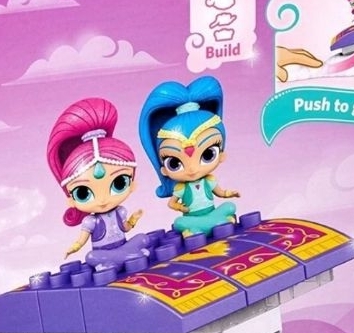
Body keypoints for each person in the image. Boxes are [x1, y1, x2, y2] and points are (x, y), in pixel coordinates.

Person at [47, 97, 149, 272]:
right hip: (103, 253)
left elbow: (125, 228)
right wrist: (74, 247)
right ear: (71, 199)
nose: (102, 200)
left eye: (119, 183)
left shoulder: (120, 212)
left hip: (123, 247)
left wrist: (133, 220)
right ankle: (128, 257)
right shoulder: (90, 221)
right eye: (83, 193)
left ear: (132, 184)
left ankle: (122, 258)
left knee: (142, 238)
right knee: (91, 257)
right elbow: (82, 240)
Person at [139, 76, 239, 237]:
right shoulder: (181, 188)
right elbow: (172, 203)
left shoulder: (210, 181)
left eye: (207, 154)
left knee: (229, 206)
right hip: (193, 219)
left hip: (212, 213)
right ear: (163, 169)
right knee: (180, 222)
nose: (192, 169)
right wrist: (180, 207)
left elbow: (220, 193)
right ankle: (210, 225)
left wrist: (229, 193)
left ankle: (206, 226)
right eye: (175, 163)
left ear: (221, 155)